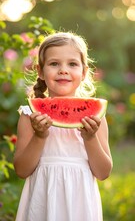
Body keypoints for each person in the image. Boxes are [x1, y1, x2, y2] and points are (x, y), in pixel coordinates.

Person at [14, 32, 113, 221]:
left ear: (84, 72)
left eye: (72, 64)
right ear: (40, 71)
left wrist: (90, 138)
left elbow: (103, 173)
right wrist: (40, 136)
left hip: (80, 203)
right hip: (42, 200)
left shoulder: (95, 118)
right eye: (54, 63)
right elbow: (21, 170)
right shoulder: (29, 115)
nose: (63, 70)